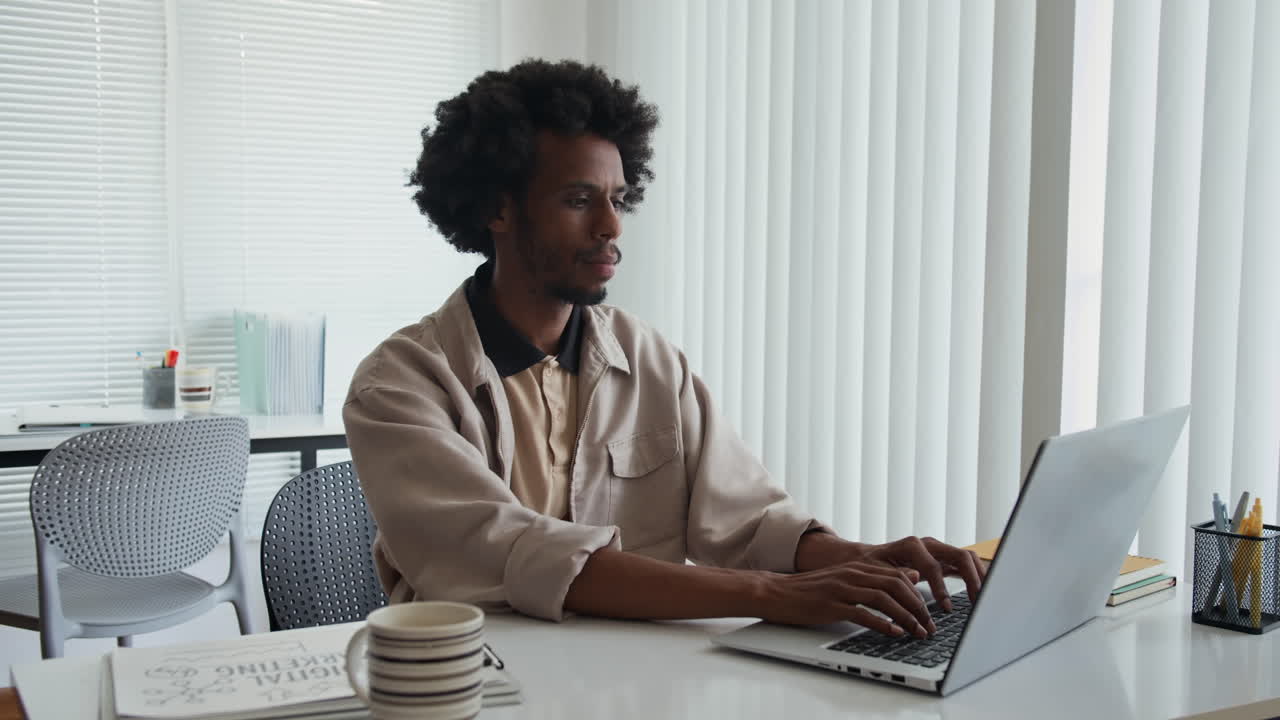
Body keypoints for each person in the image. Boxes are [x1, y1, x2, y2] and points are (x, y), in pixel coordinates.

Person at [343, 58, 984, 640]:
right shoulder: (400, 386)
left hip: (641, 682)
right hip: (484, 685)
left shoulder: (646, 356)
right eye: (578, 200)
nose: (611, 226)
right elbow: (517, 553)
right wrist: (780, 595)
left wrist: (863, 561)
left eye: (618, 200)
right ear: (497, 210)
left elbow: (748, 517)